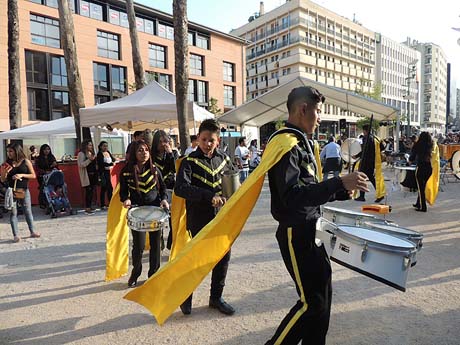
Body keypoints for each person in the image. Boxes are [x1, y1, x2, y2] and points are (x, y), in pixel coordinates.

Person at [266, 86, 368, 345]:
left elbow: (312, 191)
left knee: (323, 297)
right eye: (319, 111)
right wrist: (338, 183)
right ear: (303, 109)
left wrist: (344, 190)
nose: (320, 118)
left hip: (313, 230)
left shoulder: (302, 143)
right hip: (295, 232)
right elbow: (293, 198)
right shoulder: (285, 144)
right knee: (311, 303)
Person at [175, 119, 236, 316]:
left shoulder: (225, 160)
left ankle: (216, 298)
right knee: (197, 260)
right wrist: (209, 196)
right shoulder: (189, 162)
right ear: (198, 139)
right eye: (204, 139)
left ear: (217, 140)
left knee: (222, 258)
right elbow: (181, 188)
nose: (207, 143)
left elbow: (233, 183)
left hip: (222, 219)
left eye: (211, 140)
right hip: (199, 218)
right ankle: (186, 296)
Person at [119, 140, 169, 287]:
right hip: (137, 212)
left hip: (155, 212)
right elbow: (123, 192)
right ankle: (136, 273)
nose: (144, 153)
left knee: (155, 244)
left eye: (146, 150)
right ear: (134, 153)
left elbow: (163, 189)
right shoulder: (126, 171)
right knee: (138, 246)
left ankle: (154, 275)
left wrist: (164, 200)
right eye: (140, 150)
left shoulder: (154, 169)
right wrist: (126, 199)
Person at [0, 143, 41, 243]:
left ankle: (32, 231)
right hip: (11, 191)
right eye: (8, 151)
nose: (9, 153)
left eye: (11, 151)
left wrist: (21, 175)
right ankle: (16, 235)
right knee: (13, 213)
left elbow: (33, 175)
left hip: (24, 190)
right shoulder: (6, 163)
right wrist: (4, 173)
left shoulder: (25, 161)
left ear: (16, 151)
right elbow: (2, 179)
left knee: (28, 211)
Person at [151, 130, 178, 250]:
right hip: (156, 189)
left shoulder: (173, 153)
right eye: (160, 141)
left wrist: (170, 154)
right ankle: (159, 239)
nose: (163, 144)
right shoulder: (151, 156)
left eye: (165, 141)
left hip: (171, 188)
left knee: (174, 217)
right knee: (158, 218)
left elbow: (175, 169)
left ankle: (171, 242)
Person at [354, 124, 386, 203]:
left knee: (362, 178)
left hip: (365, 162)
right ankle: (380, 194)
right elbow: (382, 147)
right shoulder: (376, 138)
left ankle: (362, 196)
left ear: (365, 131)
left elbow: (364, 150)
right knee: (371, 178)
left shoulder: (366, 138)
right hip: (372, 162)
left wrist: (357, 156)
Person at [409, 132, 433, 212]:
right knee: (423, 187)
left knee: (420, 188)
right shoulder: (431, 145)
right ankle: (418, 203)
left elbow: (412, 157)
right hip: (429, 167)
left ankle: (423, 207)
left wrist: (410, 161)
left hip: (421, 167)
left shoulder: (417, 145)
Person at [77, 140, 98, 214]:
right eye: (89, 145)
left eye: (91, 145)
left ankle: (90, 205)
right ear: (85, 146)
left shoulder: (91, 153)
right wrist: (89, 160)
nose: (91, 147)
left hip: (93, 174)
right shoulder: (81, 154)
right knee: (88, 191)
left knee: (92, 191)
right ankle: (87, 207)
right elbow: (81, 165)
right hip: (87, 175)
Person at [36, 144, 58, 209]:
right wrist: (44, 172)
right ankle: (43, 203)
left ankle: (53, 202)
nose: (46, 151)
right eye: (45, 149)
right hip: (42, 176)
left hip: (51, 175)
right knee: (43, 188)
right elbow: (37, 168)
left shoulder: (52, 157)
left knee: (52, 188)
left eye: (48, 149)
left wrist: (54, 165)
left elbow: (56, 166)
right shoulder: (39, 158)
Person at [97, 141, 116, 209]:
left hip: (109, 171)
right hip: (104, 172)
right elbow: (101, 164)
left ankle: (110, 202)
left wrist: (114, 161)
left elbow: (113, 159)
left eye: (106, 146)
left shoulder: (108, 152)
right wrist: (110, 164)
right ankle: (103, 204)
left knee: (109, 188)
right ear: (100, 147)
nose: (105, 147)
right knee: (104, 188)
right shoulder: (99, 154)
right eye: (104, 146)